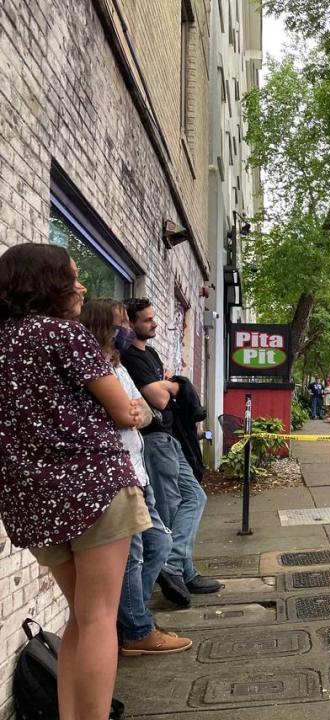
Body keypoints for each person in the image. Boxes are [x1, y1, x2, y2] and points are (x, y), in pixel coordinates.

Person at [0, 244, 152, 718]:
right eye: (72, 277)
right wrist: (133, 412)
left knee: (79, 621)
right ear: (45, 284)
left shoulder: (3, 340)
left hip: (34, 497)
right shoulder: (65, 335)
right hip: (96, 485)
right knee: (100, 619)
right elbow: (124, 411)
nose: (82, 286)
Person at [79, 298, 192, 656]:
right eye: (121, 323)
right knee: (136, 552)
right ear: (104, 327)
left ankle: (134, 618)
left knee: (157, 543)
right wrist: (131, 412)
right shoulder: (96, 367)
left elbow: (140, 413)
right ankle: (135, 629)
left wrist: (133, 412)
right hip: (118, 472)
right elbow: (135, 413)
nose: (127, 328)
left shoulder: (118, 365)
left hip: (136, 467)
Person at [122, 298, 222, 607]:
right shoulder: (130, 357)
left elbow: (162, 387)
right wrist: (174, 386)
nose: (153, 324)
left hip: (170, 438)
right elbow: (160, 398)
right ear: (131, 323)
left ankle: (180, 567)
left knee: (194, 497)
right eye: (147, 320)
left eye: (153, 318)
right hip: (154, 441)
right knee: (169, 508)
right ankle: (175, 569)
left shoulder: (148, 352)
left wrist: (169, 383)